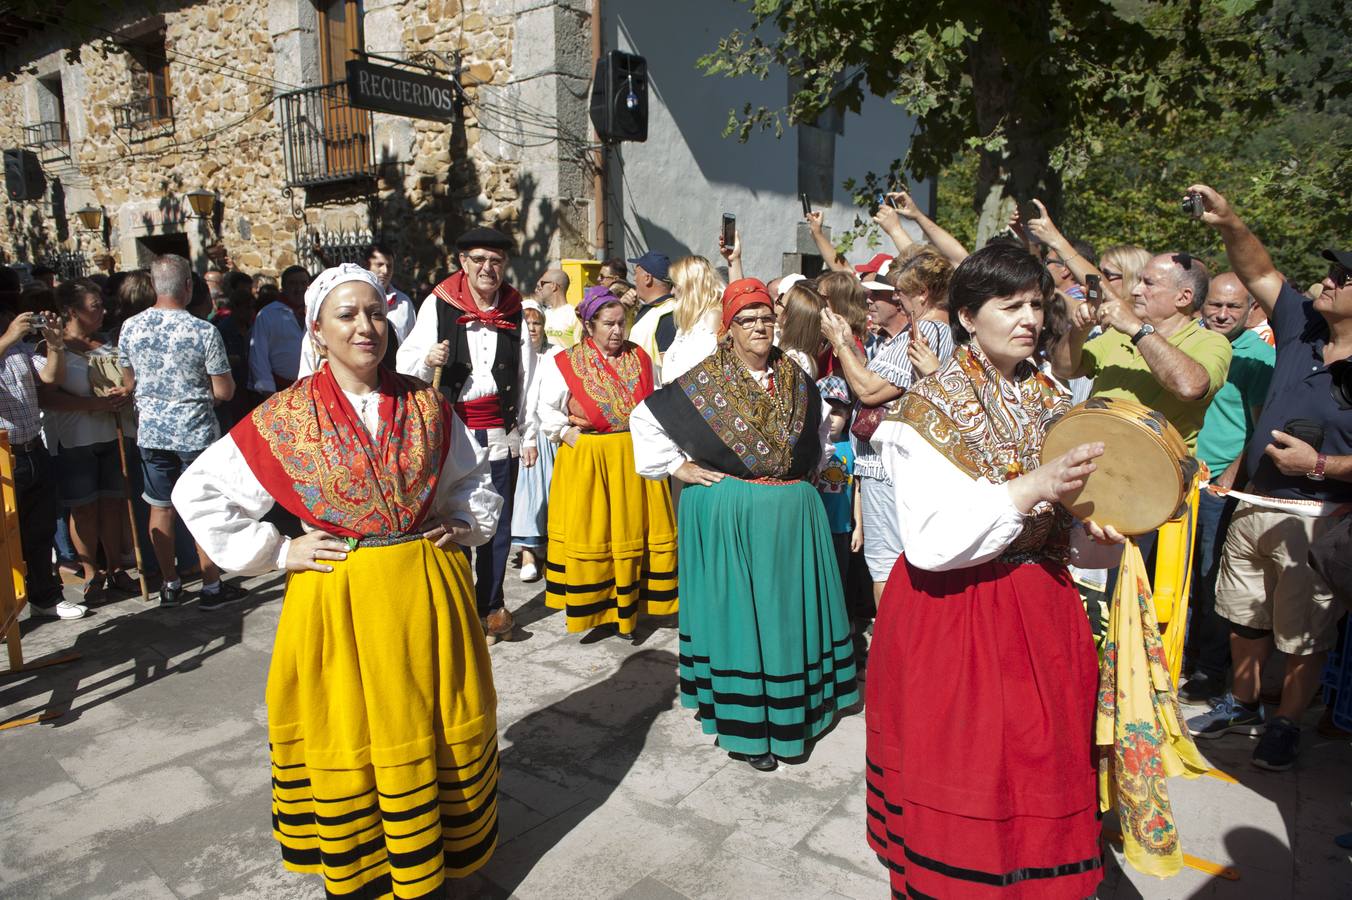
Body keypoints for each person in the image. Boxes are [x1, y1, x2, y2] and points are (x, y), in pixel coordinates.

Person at [173, 264, 503, 898]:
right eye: (347, 315)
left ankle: (428, 858)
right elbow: (200, 490)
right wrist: (277, 550)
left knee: (428, 722)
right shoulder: (286, 415)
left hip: (423, 593)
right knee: (351, 727)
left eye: (375, 313)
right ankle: (362, 871)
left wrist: (459, 523)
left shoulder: (426, 403)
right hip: (340, 596)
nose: (365, 327)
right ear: (317, 331)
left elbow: (472, 482)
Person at [866, 243, 1125, 899]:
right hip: (957, 615)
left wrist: (1093, 522)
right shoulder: (925, 409)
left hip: (1042, 604)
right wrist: (1029, 488)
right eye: (1010, 305)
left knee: (1043, 761)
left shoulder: (1053, 397)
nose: (1029, 317)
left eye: (1036, 303)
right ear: (966, 315)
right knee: (974, 769)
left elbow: (1065, 515)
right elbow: (929, 543)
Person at [631, 278, 859, 772]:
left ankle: (796, 712)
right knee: (742, 619)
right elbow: (646, 417)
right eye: (747, 320)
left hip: (794, 515)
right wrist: (677, 466)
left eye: (765, 319)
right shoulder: (703, 380)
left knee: (788, 616)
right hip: (732, 515)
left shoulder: (796, 375)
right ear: (728, 328)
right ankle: (747, 725)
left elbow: (820, 428)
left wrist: (813, 466)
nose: (759, 327)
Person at [1181, 184, 1351, 772]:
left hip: (1318, 519)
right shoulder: (1303, 325)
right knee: (1244, 616)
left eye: (1341, 279)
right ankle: (1245, 702)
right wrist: (1228, 222)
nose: (1327, 282)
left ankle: (1285, 725)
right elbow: (1259, 269)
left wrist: (1322, 467)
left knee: (1302, 636)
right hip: (1255, 503)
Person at [397, 227, 537, 643]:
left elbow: (528, 375)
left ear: (504, 266)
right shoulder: (438, 304)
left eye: (495, 261)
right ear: (463, 263)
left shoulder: (515, 310)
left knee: (497, 523)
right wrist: (427, 358)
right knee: (452, 521)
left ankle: (491, 606)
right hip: (452, 432)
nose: (486, 268)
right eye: (478, 260)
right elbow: (404, 364)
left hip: (499, 430)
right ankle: (456, 608)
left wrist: (527, 434)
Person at [536, 286, 677, 638]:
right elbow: (545, 410)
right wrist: (567, 436)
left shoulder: (641, 359)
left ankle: (630, 610)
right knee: (597, 533)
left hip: (633, 459)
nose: (617, 331)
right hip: (589, 460)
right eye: (608, 324)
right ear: (589, 326)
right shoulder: (566, 363)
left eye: (621, 323)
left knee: (632, 534)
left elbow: (657, 402)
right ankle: (599, 610)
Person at [821, 248, 955, 603]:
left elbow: (869, 390)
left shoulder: (925, 329)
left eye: (901, 292)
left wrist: (840, 344)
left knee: (886, 565)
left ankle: (891, 647)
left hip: (888, 467)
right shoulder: (948, 331)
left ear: (923, 293)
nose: (897, 298)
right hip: (913, 464)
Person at [118, 254, 242, 609]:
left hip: (153, 432)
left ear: (155, 285)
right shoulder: (204, 331)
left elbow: (129, 383)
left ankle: (170, 584)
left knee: (160, 507)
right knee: (201, 507)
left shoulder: (131, 328)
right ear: (188, 287)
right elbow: (225, 391)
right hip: (196, 432)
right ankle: (211, 586)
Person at [1178, 272, 1275, 704]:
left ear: (1251, 309)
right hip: (1179, 478)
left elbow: (1261, 429)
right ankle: (1178, 654)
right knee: (1177, 576)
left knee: (1211, 577)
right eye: (1215, 304)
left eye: (1232, 307)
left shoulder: (1258, 357)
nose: (1221, 314)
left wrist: (1229, 479)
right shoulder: (1193, 343)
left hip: (1218, 486)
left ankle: (1208, 670)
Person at [1052, 251, 1231, 452]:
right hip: (1096, 462)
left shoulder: (1211, 342)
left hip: (1155, 472)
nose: (1136, 290)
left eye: (1149, 283)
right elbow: (1064, 369)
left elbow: (1189, 387)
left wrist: (1137, 329)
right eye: (1139, 281)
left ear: (1183, 297)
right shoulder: (1118, 335)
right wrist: (1079, 329)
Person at [36, 280, 136, 600]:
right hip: (75, 439)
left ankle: (116, 568)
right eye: (95, 306)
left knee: (112, 504)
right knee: (84, 509)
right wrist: (95, 404)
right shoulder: (51, 348)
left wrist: (123, 394)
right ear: (71, 311)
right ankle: (92, 572)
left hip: (112, 433)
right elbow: (46, 397)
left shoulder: (105, 344)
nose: (103, 311)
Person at [0, 267, 82, 619]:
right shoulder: (8, 343)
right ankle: (5, 610)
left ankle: (44, 597)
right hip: (3, 457)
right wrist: (7, 338)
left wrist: (55, 344)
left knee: (40, 530)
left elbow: (52, 376)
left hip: (32, 449)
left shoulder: (18, 349)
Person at [511, 299, 557, 582]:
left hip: (551, 431)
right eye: (526, 324)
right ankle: (528, 551)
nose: (532, 329)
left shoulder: (555, 354)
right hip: (524, 433)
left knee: (552, 489)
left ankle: (549, 547)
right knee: (529, 487)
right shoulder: (515, 357)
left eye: (536, 323)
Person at [816, 376, 865, 635]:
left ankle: (844, 631)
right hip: (818, 527)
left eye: (838, 412)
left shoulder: (850, 447)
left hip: (842, 528)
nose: (832, 418)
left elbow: (857, 489)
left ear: (847, 414)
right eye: (827, 410)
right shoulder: (814, 446)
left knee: (843, 581)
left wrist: (858, 527)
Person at [661, 255, 724, 385]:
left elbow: (702, 371)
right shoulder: (688, 325)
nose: (671, 291)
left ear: (690, 286)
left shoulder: (711, 317)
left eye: (675, 285)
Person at [248, 265, 309, 396]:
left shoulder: (316, 313)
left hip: (313, 387)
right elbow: (259, 354)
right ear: (284, 287)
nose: (299, 288)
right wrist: (268, 391)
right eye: (293, 283)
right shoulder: (268, 314)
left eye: (303, 283)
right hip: (280, 389)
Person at [626, 250, 678, 368]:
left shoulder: (668, 315)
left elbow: (668, 365)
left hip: (655, 386)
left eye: (636, 274)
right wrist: (625, 311)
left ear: (647, 278)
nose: (634, 279)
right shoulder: (655, 311)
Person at [365, 242, 416, 343]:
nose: (385, 271)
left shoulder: (404, 303)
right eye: (379, 265)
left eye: (389, 266)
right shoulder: (355, 299)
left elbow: (413, 344)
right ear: (366, 266)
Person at [776, 282, 826, 377]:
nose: (776, 301)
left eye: (780, 301)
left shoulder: (791, 360)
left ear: (787, 317)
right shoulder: (804, 356)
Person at [536, 266, 579, 350]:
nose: (540, 288)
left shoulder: (574, 315)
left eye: (542, 283)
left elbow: (579, 348)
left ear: (553, 286)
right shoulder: (541, 313)